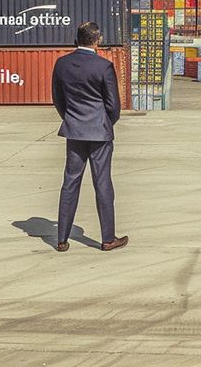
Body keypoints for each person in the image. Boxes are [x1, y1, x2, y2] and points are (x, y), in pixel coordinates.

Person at [51, 21, 128, 253]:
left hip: (74, 131)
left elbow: (58, 99)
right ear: (98, 40)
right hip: (99, 132)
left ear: (77, 39)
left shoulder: (61, 64)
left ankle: (62, 239)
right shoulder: (103, 66)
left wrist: (72, 120)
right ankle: (107, 239)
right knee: (102, 183)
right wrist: (105, 124)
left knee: (70, 182)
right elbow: (114, 105)